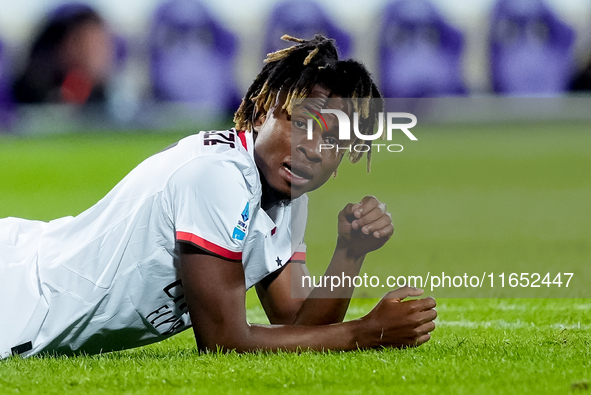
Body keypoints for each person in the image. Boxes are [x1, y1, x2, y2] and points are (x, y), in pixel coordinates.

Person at [0, 35, 436, 358]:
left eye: (333, 142)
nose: (312, 149)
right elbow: (225, 341)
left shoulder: (285, 192)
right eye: (301, 123)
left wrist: (350, 252)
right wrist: (366, 333)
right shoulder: (218, 176)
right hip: (15, 297)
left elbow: (296, 320)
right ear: (264, 112)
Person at [11, 4, 114, 105]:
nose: (94, 55)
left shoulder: (106, 96)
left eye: (100, 44)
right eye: (81, 43)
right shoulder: (28, 91)